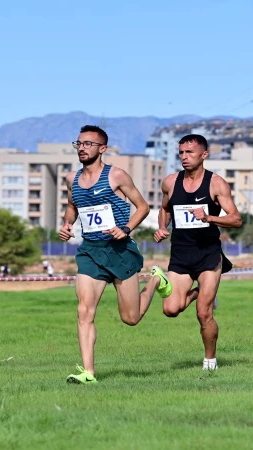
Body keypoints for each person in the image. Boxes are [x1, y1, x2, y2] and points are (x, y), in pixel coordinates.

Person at [59, 125, 167, 385]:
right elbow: (73, 206)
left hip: (120, 251)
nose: (82, 148)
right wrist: (67, 224)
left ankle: (155, 280)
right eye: (79, 144)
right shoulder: (70, 179)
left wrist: (126, 228)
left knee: (130, 318)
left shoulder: (116, 176)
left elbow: (143, 207)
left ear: (102, 149)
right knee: (84, 311)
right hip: (90, 252)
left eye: (88, 144)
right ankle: (89, 373)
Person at [152, 134, 242, 370]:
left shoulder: (216, 183)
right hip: (180, 255)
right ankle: (203, 291)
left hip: (208, 255)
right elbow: (164, 209)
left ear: (204, 155)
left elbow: (235, 219)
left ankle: (210, 361)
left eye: (189, 152)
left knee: (204, 314)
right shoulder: (170, 182)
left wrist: (209, 217)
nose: (184, 157)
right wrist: (162, 227)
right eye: (181, 152)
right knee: (171, 309)